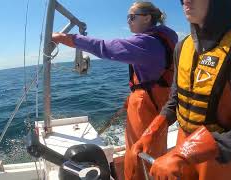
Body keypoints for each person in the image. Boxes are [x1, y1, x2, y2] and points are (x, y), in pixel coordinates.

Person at [130, 0, 231, 179]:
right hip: (182, 150)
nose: (186, 1)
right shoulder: (181, 48)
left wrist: (183, 154)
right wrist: (150, 134)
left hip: (221, 160)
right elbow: (175, 100)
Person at [51, 1, 178, 179]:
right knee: (153, 147)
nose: (128, 21)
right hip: (158, 99)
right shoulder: (163, 39)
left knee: (138, 151)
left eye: (132, 17)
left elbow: (106, 47)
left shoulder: (147, 43)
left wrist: (65, 38)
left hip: (147, 106)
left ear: (147, 18)